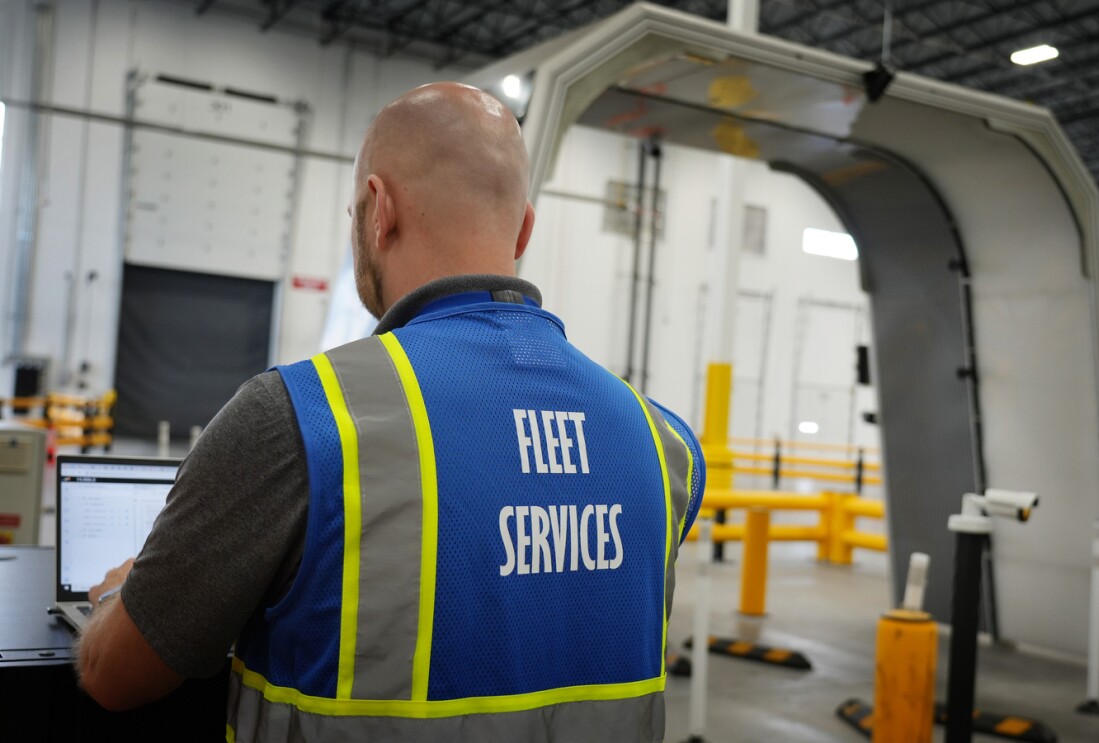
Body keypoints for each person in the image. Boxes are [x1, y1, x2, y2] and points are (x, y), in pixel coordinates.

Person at [77, 82, 705, 743]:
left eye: (355, 215)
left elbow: (116, 676)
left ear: (379, 210)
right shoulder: (661, 442)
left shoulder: (301, 419)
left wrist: (119, 597)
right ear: (523, 228)